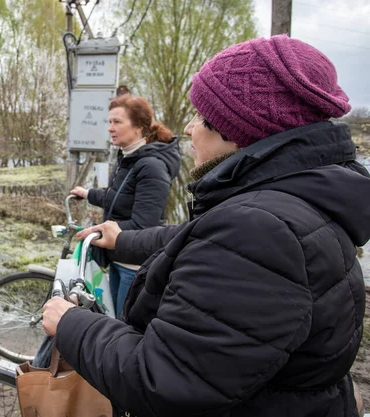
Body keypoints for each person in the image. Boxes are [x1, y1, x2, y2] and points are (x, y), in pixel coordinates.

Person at [43, 35, 370, 417]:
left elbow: (163, 380)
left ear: (237, 130)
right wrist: (124, 239)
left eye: (199, 116)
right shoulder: (292, 202)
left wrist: (71, 325)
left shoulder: (260, 229)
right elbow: (196, 241)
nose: (189, 127)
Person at [70, 94, 181, 318]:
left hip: (135, 266)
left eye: (117, 122)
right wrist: (87, 193)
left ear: (139, 127)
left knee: (122, 326)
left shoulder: (151, 166)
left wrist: (97, 230)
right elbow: (116, 198)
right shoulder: (127, 159)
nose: (110, 128)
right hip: (118, 257)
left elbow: (144, 225)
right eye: (109, 122)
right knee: (112, 317)